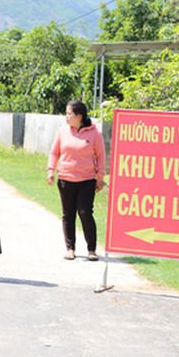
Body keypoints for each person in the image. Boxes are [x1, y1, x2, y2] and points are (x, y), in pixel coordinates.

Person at [47, 100, 106, 261]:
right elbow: (54, 153)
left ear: (79, 116)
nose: (66, 116)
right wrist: (51, 171)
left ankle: (92, 249)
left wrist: (100, 178)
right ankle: (70, 248)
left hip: (86, 180)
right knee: (68, 215)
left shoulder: (94, 133)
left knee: (85, 212)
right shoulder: (62, 132)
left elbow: (101, 156)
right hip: (65, 179)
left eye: (69, 113)